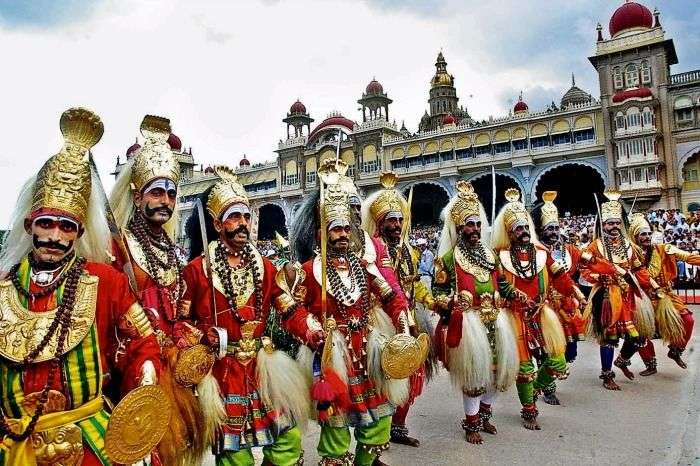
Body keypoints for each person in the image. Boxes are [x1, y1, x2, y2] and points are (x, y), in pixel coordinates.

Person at [0, 107, 162, 464]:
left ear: (80, 233)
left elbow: (143, 342)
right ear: (30, 226)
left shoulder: (106, 282)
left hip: (90, 439)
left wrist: (146, 377)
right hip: (16, 444)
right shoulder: (3, 290)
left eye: (67, 227)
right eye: (47, 224)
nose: (55, 237)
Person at [182, 166, 319, 466]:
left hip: (262, 370)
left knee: (288, 440)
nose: (243, 224)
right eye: (234, 217)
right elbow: (181, 322)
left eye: (246, 217)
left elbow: (289, 308)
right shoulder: (196, 270)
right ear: (218, 224)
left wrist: (311, 330)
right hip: (221, 372)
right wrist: (200, 337)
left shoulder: (265, 266)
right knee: (234, 456)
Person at [292, 163, 419, 466]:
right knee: (335, 427)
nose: (342, 235)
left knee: (377, 422)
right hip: (332, 355)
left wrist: (402, 319)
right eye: (336, 229)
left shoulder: (363, 266)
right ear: (322, 232)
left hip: (368, 349)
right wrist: (310, 327)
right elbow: (293, 310)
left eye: (346, 228)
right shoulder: (309, 271)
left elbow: (389, 294)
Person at [108, 115, 208, 465]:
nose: (165, 200)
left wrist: (187, 334)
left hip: (175, 369)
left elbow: (180, 308)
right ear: (137, 196)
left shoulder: (172, 251)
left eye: (170, 193)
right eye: (156, 192)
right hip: (135, 370)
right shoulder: (117, 248)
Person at [431, 181, 518, 444]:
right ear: (458, 227)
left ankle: (484, 416)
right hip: (469, 324)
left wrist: (513, 294)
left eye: (478, 224)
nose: (475, 229)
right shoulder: (447, 260)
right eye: (470, 224)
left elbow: (502, 284)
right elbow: (437, 292)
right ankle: (471, 424)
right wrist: (451, 302)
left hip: (495, 321)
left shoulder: (490, 255)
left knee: (497, 373)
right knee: (474, 375)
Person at [491, 188, 585, 430]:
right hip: (514, 315)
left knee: (558, 362)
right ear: (509, 232)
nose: (523, 232)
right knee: (524, 368)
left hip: (541, 313)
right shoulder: (499, 257)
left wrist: (574, 292)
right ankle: (529, 410)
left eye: (525, 227)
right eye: (517, 228)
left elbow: (561, 277)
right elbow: (497, 286)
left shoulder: (541, 253)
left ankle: (536, 389)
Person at [361, 172, 438, 448]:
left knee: (412, 376)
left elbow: (414, 286)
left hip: (410, 317)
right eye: (390, 220)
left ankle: (398, 426)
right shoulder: (369, 250)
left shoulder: (409, 252)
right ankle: (375, 436)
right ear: (380, 223)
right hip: (382, 321)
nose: (396, 225)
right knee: (384, 380)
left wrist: (431, 302)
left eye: (399, 219)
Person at [580, 191, 655, 391]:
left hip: (629, 296)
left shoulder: (630, 246)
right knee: (608, 337)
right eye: (609, 223)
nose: (614, 227)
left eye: (616, 223)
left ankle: (622, 360)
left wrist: (651, 287)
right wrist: (599, 277)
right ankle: (607, 376)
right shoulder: (594, 247)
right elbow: (584, 270)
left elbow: (639, 269)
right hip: (606, 296)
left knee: (638, 336)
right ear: (603, 225)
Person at [629, 213, 699, 374]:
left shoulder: (663, 249)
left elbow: (688, 257)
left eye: (648, 233)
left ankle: (675, 350)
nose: (647, 237)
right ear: (635, 236)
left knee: (687, 319)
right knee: (641, 332)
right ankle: (650, 364)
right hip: (641, 299)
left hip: (665, 295)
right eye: (643, 234)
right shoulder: (629, 255)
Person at [532, 192, 592, 376]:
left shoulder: (569, 250)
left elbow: (591, 262)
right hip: (543, 307)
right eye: (549, 229)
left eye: (556, 228)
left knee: (569, 351)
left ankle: (543, 381)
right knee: (549, 352)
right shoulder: (535, 252)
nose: (554, 233)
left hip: (566, 307)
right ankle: (545, 388)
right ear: (540, 230)